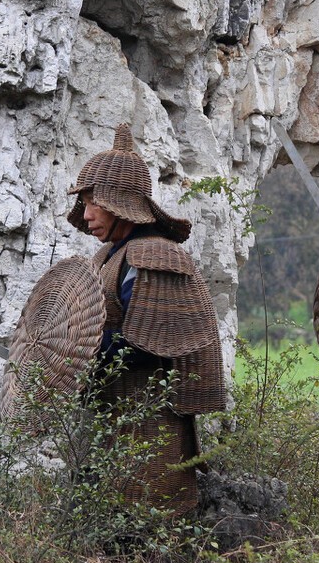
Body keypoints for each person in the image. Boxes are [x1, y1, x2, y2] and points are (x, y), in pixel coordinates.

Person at [66, 123, 227, 514]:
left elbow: (144, 343)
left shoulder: (154, 255)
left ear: (119, 203)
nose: (85, 214)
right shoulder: (106, 257)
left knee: (156, 515)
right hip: (113, 408)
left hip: (153, 411)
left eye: (93, 203)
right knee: (113, 517)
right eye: (83, 203)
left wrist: (82, 350)